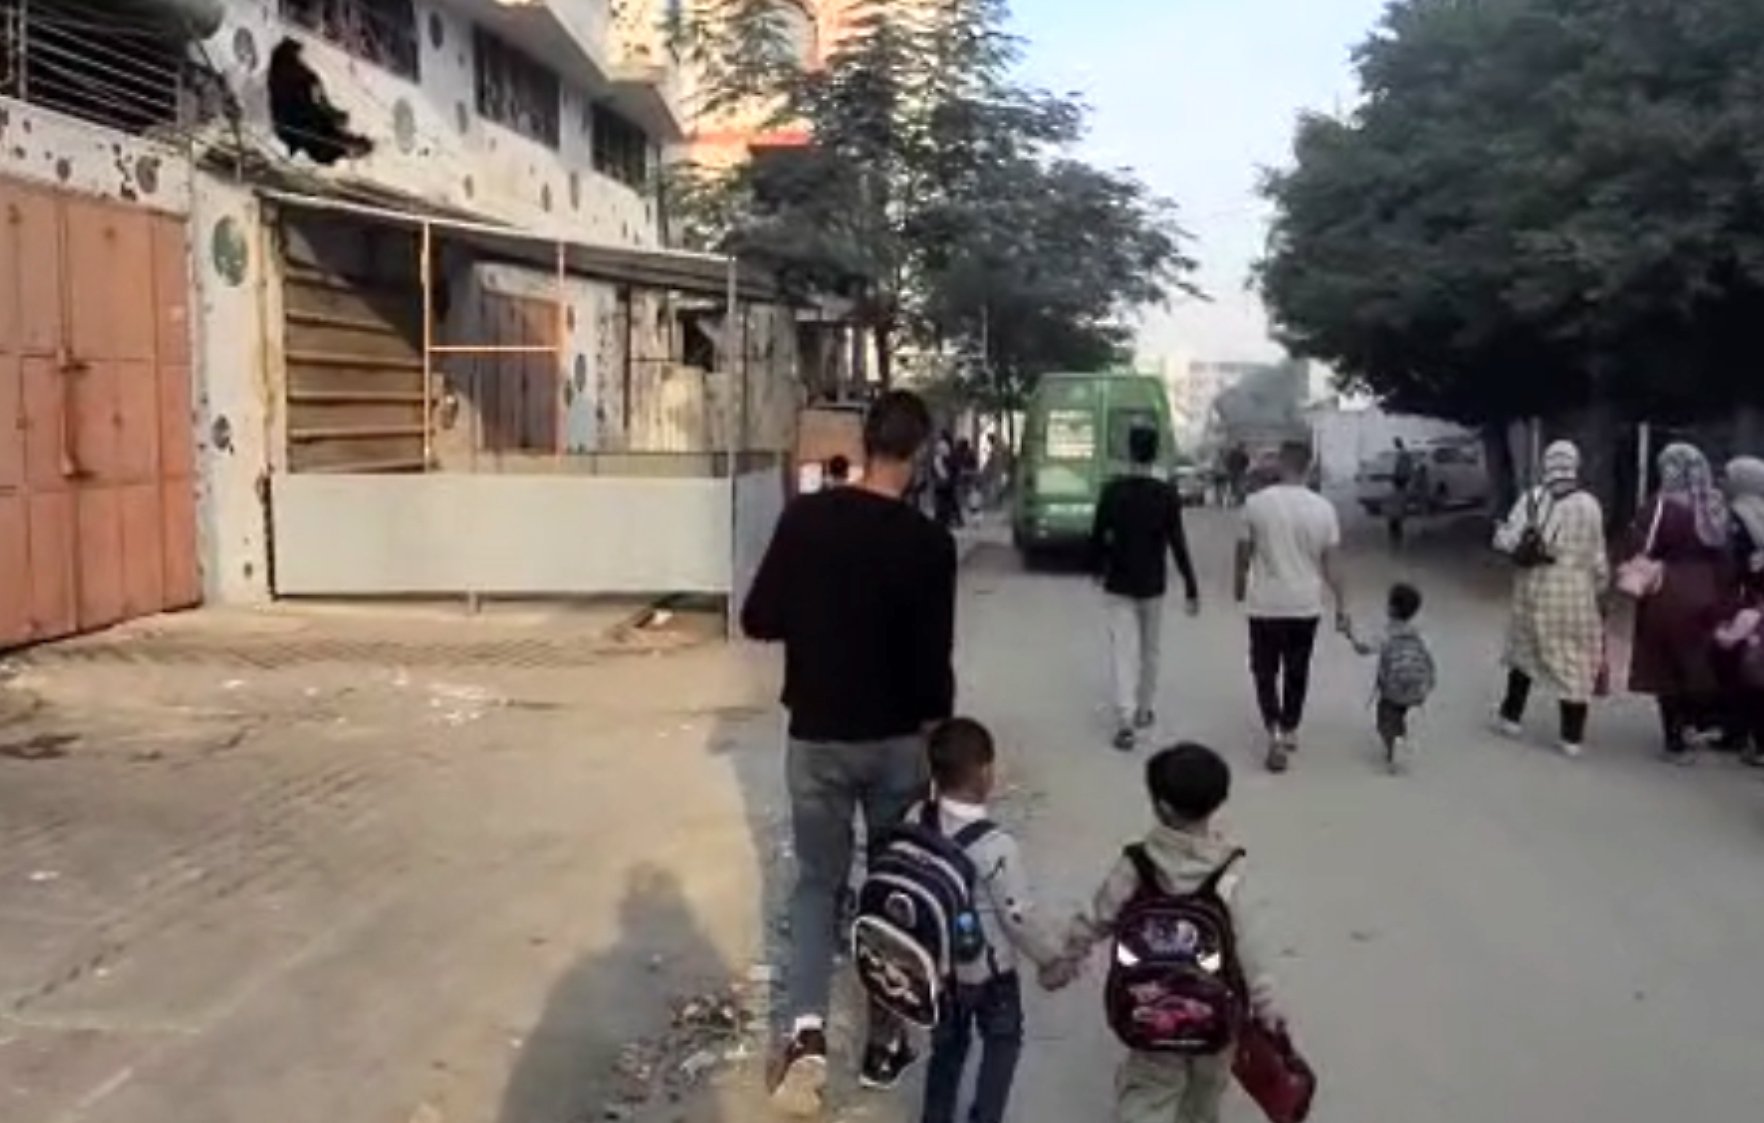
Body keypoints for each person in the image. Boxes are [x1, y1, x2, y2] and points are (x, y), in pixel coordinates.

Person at [741, 390, 957, 1115]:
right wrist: (938, 745)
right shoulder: (930, 545)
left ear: (865, 444)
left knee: (816, 884)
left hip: (818, 736)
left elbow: (759, 616)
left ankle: (804, 1032)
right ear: (920, 454)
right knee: (891, 884)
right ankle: (885, 1039)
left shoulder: (806, 520)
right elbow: (935, 666)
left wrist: (819, 617)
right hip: (898, 742)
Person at [1045, 743, 1281, 1123]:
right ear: (1218, 802)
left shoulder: (1137, 863)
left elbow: (1097, 916)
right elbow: (1248, 948)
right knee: (1204, 1096)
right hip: (1218, 1009)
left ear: (1162, 807)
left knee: (1149, 1090)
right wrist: (1266, 1007)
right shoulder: (1229, 870)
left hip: (1150, 1004)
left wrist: (1065, 960)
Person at [916, 718, 1062, 1123]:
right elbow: (1018, 917)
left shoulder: (917, 819)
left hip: (939, 966)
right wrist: (1052, 958)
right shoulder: (996, 846)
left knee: (946, 1047)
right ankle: (986, 1115)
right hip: (990, 972)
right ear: (985, 773)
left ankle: (936, 1115)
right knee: (1002, 1042)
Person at [1234, 441, 1347, 773]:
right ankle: (1291, 726)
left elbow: (1243, 552)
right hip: (1304, 604)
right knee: (1298, 668)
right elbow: (1332, 564)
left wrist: (1238, 586)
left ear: (1280, 464)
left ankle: (1273, 728)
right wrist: (1343, 605)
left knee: (1264, 668)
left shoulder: (1255, 504)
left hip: (1265, 603)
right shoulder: (1324, 509)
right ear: (1308, 467)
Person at [1090, 426, 1202, 751]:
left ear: (1129, 451)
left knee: (1122, 649)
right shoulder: (1165, 494)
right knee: (1150, 649)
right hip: (1153, 583)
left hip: (1119, 581)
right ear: (1154, 453)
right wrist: (1191, 587)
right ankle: (1143, 709)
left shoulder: (1113, 491)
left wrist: (1096, 568)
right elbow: (1177, 542)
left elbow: (1097, 535)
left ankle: (1124, 718)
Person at [1492, 440, 1607, 756]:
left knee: (1524, 651)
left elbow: (1509, 541)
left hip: (1535, 585)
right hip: (1577, 589)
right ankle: (1571, 737)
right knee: (1574, 659)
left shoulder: (1533, 499)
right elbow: (1598, 555)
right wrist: (1599, 588)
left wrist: (1501, 534)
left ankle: (1511, 717)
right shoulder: (1589, 505)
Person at [1627, 442, 1734, 764]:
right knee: (1697, 660)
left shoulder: (1660, 506)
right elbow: (1726, 553)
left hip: (1668, 589)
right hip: (1708, 589)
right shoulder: (1714, 504)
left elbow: (1641, 545)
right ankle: (1695, 724)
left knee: (1665, 666)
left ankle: (1675, 741)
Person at [1341, 582, 1437, 774]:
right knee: (1399, 712)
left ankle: (1395, 747)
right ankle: (1400, 737)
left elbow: (1363, 648)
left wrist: (1349, 633)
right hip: (1417, 687)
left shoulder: (1387, 633)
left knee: (1385, 718)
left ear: (1391, 608)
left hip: (1392, 688)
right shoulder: (1418, 632)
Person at [1388, 438, 1416, 549]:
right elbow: (1407, 467)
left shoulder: (1402, 454)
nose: (1395, 445)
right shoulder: (1404, 454)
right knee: (1399, 502)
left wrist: (1397, 476)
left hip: (1401, 479)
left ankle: (1396, 526)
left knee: (1398, 502)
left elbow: (1401, 468)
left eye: (1396, 443)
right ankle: (1397, 526)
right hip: (1402, 480)